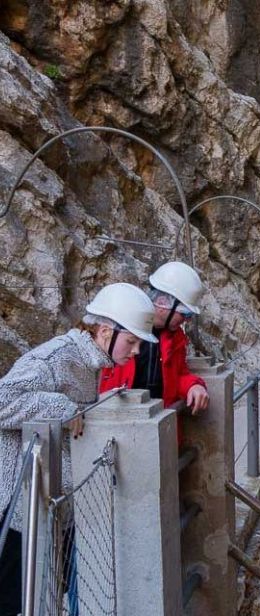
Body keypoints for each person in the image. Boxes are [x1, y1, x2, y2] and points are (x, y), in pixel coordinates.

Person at [0, 283, 157, 616]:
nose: (137, 351)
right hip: (16, 510)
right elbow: (3, 402)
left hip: (46, 507)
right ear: (104, 332)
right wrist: (63, 408)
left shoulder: (89, 362)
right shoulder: (57, 357)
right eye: (132, 341)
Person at [100, 262, 209, 424]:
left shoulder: (175, 337)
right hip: (118, 426)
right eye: (185, 313)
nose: (186, 320)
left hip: (157, 426)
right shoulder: (119, 330)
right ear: (163, 302)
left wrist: (193, 386)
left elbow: (177, 375)